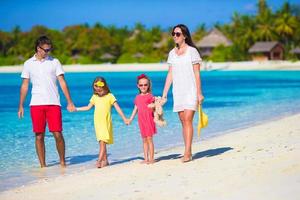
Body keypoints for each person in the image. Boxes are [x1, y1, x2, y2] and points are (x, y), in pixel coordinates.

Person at [18, 35, 76, 168]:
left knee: (57, 133)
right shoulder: (28, 63)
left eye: (49, 49)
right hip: (36, 104)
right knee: (39, 135)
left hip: (53, 103)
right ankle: (43, 166)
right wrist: (21, 105)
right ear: (38, 48)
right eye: (45, 50)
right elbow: (25, 85)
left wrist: (69, 101)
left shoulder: (54, 62)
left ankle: (62, 163)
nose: (48, 52)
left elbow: (62, 82)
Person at [162, 24, 204, 163]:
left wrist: (199, 93)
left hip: (191, 90)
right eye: (173, 33)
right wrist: (165, 93)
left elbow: (197, 74)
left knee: (187, 120)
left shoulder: (192, 51)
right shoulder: (172, 53)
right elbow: (170, 74)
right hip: (178, 91)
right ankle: (188, 149)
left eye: (178, 34)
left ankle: (187, 152)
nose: (175, 36)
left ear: (185, 36)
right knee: (182, 121)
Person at [75, 77, 127, 168]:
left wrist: (124, 118)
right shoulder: (94, 97)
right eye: (96, 85)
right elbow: (88, 107)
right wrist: (76, 109)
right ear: (94, 86)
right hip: (97, 123)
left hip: (105, 122)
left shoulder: (110, 96)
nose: (98, 88)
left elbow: (117, 108)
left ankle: (99, 161)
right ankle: (105, 160)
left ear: (104, 85)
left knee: (103, 142)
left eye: (100, 85)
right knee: (101, 142)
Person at [128, 74, 157, 164]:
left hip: (149, 120)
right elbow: (135, 109)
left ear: (148, 85)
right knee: (144, 139)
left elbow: (155, 107)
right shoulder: (137, 97)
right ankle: (146, 158)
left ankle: (151, 158)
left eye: (145, 85)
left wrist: (156, 104)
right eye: (141, 85)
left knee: (149, 139)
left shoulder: (150, 96)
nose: (143, 87)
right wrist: (130, 119)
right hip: (141, 121)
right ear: (138, 86)